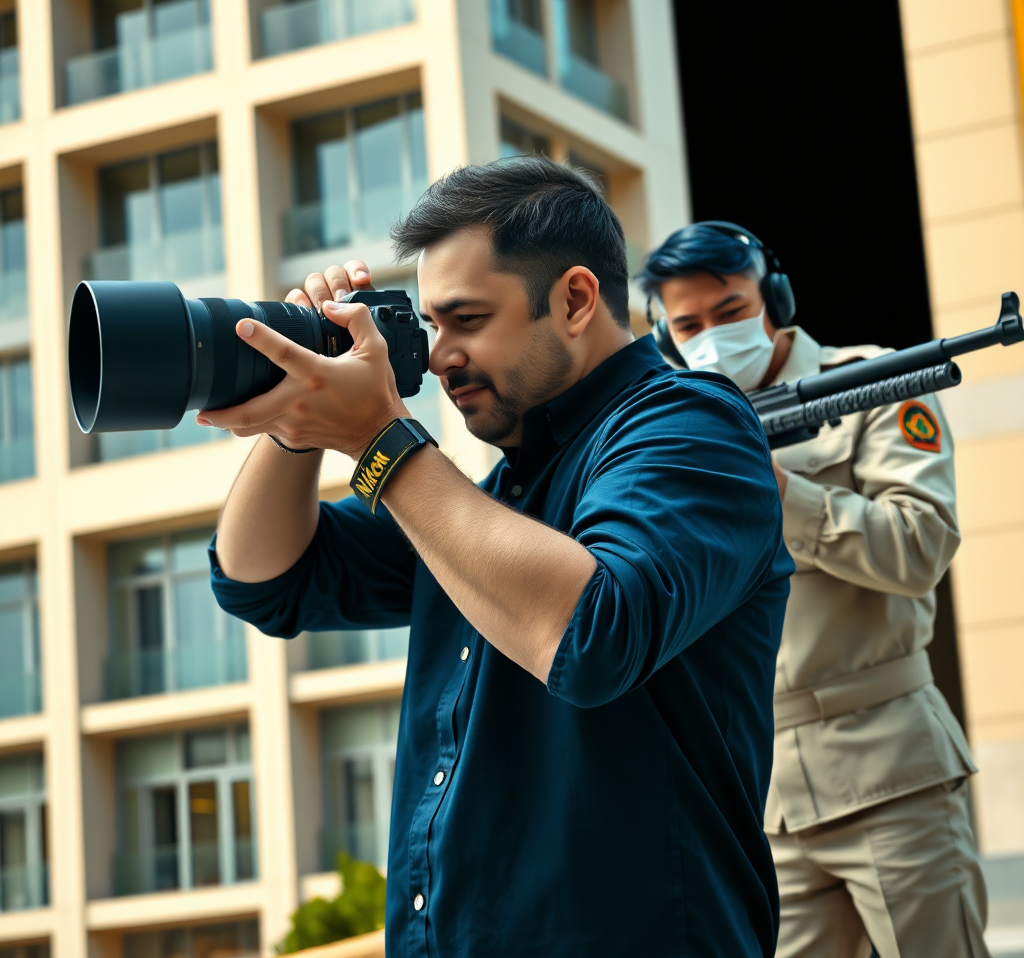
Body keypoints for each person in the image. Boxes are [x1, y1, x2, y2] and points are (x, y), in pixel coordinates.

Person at [201, 158, 793, 957]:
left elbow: (593, 633)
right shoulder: (489, 494)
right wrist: (295, 409)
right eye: (433, 325)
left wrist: (378, 442)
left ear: (576, 299)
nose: (439, 356)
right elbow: (264, 581)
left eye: (467, 319)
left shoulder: (693, 427)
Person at [638, 220, 990, 958]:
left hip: (892, 770)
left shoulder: (870, 383)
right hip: (764, 798)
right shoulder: (678, 432)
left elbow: (920, 549)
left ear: (773, 300)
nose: (712, 336)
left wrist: (777, 493)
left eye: (731, 311)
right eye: (689, 324)